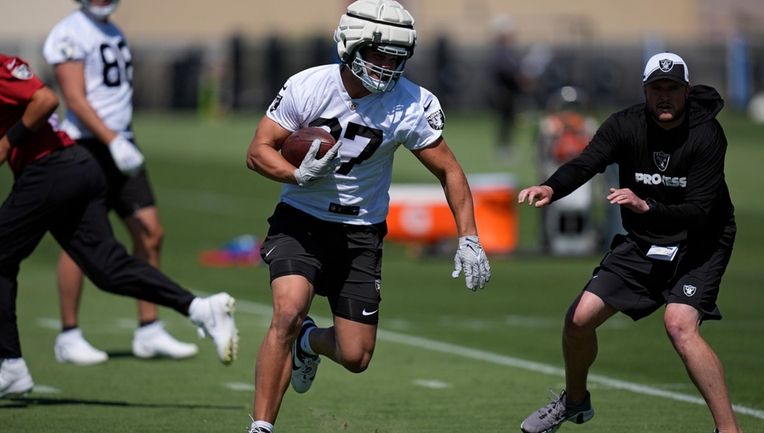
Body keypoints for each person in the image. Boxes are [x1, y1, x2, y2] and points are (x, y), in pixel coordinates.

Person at [244, 1, 491, 432]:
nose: (387, 66)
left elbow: (449, 170)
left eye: (396, 57)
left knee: (356, 356)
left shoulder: (411, 102)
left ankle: (308, 342)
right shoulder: (309, 86)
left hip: (361, 232)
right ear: (350, 45)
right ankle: (261, 427)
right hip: (301, 218)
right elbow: (258, 151)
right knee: (287, 311)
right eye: (379, 54)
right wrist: (296, 174)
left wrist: (468, 237)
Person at [518, 52, 741, 433]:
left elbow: (700, 211)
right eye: (657, 88)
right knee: (577, 320)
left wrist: (645, 205)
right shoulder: (625, 125)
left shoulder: (706, 134)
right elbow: (587, 161)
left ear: (686, 91)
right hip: (644, 240)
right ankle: (574, 402)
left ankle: (729, 430)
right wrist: (551, 186)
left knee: (679, 324)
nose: (665, 96)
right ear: (645, 91)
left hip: (700, 242)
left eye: (673, 88)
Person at [0, 53, 238, 398]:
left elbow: (46, 99)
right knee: (107, 269)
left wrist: (9, 142)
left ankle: (10, 364)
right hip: (74, 168)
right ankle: (200, 308)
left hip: (51, 168)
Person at [42, 0, 196, 364]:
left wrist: (119, 140)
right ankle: (69, 334)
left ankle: (149, 328)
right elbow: (75, 99)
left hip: (121, 143)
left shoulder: (113, 29)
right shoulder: (69, 31)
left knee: (150, 232)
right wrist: (111, 140)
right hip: (87, 145)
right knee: (78, 239)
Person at [487, 15, 524, 162]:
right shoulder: (501, 51)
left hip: (509, 91)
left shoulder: (506, 50)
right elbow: (505, 70)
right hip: (503, 92)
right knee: (504, 122)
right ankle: (503, 149)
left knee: (509, 121)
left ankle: (506, 147)